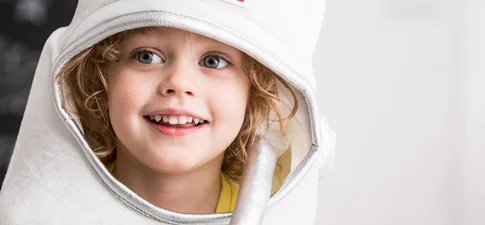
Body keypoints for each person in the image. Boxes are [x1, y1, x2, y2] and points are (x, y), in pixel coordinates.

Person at [0, 0, 336, 224]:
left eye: (214, 61)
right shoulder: (53, 209)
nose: (178, 83)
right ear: (100, 79)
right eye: (146, 56)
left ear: (258, 95)